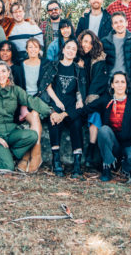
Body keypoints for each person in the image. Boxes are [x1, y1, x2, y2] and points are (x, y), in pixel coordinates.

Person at [0, 60, 52, 171]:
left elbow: (31, 100)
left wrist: (50, 111)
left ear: (8, 72)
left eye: (3, 71)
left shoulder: (15, 90)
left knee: (32, 136)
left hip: (11, 132)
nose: (1, 75)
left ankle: (7, 154)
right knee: (8, 167)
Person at [44, 40, 87, 178]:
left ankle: (76, 164)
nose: (70, 51)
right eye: (68, 48)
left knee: (76, 124)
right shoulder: (53, 66)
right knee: (54, 122)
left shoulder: (78, 70)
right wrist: (55, 106)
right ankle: (56, 161)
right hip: (57, 104)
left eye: (73, 49)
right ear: (63, 50)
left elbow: (81, 91)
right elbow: (47, 86)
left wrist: (69, 110)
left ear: (75, 53)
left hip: (71, 107)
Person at [97, 72, 131, 182]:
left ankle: (124, 167)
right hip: (113, 144)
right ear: (112, 85)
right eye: (116, 82)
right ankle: (107, 166)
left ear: (126, 84)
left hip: (130, 143)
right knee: (103, 130)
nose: (120, 85)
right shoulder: (106, 100)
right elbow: (87, 109)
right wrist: (65, 114)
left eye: (122, 82)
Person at [10, 38, 48, 172]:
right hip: (24, 102)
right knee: (34, 117)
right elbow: (18, 88)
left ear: (39, 49)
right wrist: (22, 105)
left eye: (35, 47)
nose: (33, 50)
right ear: (26, 50)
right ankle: (36, 154)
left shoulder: (45, 64)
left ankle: (27, 157)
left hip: (40, 100)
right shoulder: (21, 66)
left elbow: (47, 87)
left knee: (36, 113)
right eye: (30, 47)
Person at [75, 30, 107, 167]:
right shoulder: (76, 58)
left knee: (95, 114)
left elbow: (98, 83)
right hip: (78, 97)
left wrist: (88, 102)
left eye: (90, 42)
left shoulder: (99, 59)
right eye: (85, 41)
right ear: (80, 42)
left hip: (93, 97)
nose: (87, 45)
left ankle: (91, 149)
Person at [102, 11, 131, 83]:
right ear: (112, 26)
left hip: (129, 79)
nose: (119, 25)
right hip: (111, 80)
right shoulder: (105, 41)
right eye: (115, 23)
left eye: (121, 21)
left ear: (126, 23)